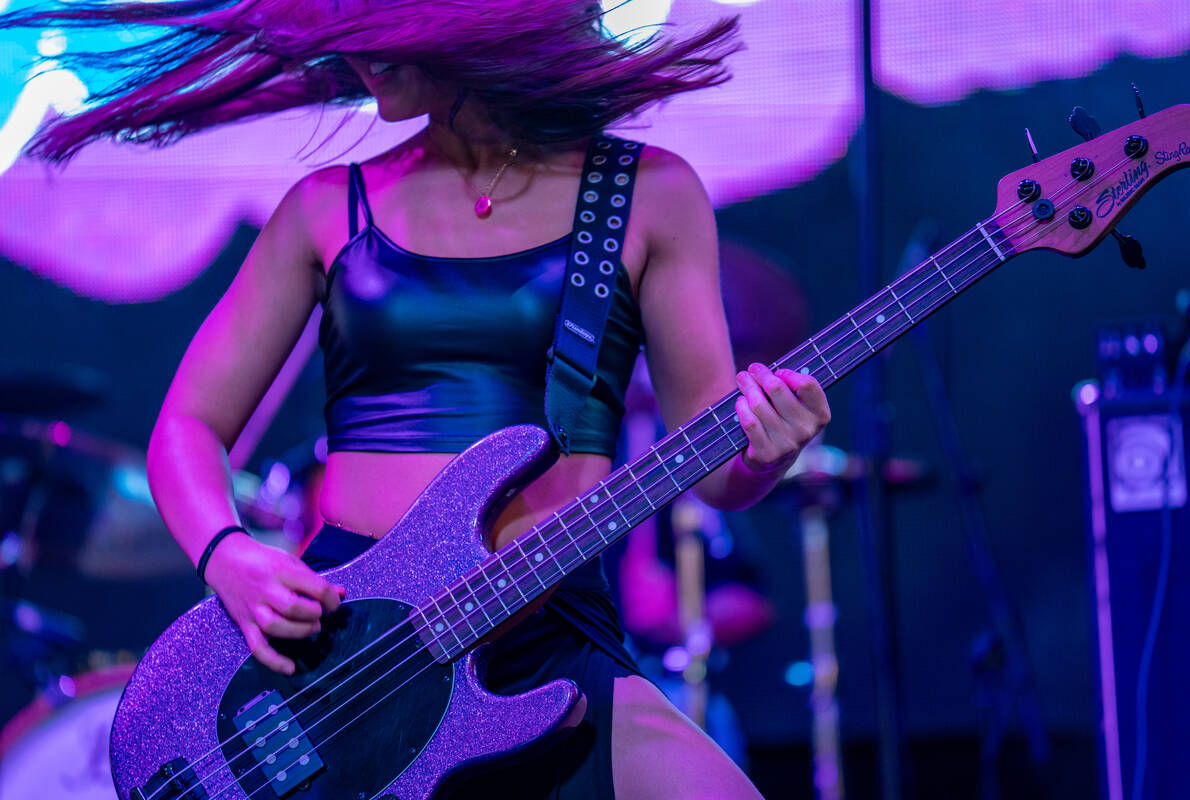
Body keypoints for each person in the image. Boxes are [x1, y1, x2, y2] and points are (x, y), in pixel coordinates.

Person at [4, 3, 831, 796]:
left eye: (387, 23)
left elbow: (716, 472)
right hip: (339, 651)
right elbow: (188, 425)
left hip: (551, 635)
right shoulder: (328, 208)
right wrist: (227, 554)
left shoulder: (650, 192)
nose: (360, 52)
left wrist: (766, 452)